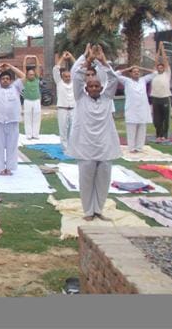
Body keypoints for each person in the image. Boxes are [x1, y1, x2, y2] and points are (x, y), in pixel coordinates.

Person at [68, 44, 121, 221]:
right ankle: (88, 212)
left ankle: (98, 210)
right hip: (86, 147)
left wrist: (103, 62)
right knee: (86, 180)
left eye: (97, 86)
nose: (94, 88)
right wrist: (87, 61)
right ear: (86, 88)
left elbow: (113, 79)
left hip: (105, 146)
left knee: (103, 180)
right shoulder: (80, 98)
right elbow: (76, 78)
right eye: (91, 86)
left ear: (101, 87)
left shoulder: (107, 98)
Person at [116, 64, 156, 152]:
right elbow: (115, 74)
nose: (136, 73)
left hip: (143, 109)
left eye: (138, 72)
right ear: (130, 73)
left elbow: (155, 73)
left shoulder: (143, 80)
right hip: (132, 109)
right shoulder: (127, 81)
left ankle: (139, 147)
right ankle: (131, 148)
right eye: (134, 72)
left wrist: (141, 67)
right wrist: (129, 68)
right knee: (131, 130)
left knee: (142, 129)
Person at [53, 52, 76, 152]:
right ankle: (65, 148)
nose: (68, 78)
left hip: (74, 109)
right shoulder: (59, 83)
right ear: (62, 77)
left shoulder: (74, 83)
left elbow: (78, 68)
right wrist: (62, 58)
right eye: (66, 76)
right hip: (62, 109)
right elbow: (55, 69)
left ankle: (73, 147)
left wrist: (71, 57)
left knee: (74, 129)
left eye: (69, 76)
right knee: (63, 130)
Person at [150, 42, 172, 141]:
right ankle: (158, 134)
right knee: (157, 118)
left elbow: (165, 61)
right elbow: (155, 61)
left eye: (161, 67)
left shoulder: (167, 73)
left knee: (165, 118)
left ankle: (165, 135)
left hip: (165, 98)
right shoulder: (154, 74)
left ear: (164, 68)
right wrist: (158, 50)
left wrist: (162, 48)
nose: (160, 68)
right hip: (155, 98)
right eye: (158, 67)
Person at [22, 55, 42, 140]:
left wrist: (35, 58)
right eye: (30, 74)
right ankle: (29, 135)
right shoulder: (25, 80)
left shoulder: (36, 79)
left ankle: (35, 134)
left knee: (37, 117)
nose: (32, 75)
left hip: (36, 100)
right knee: (27, 118)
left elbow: (37, 67)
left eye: (33, 74)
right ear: (27, 75)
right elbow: (24, 68)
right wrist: (26, 58)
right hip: (27, 101)